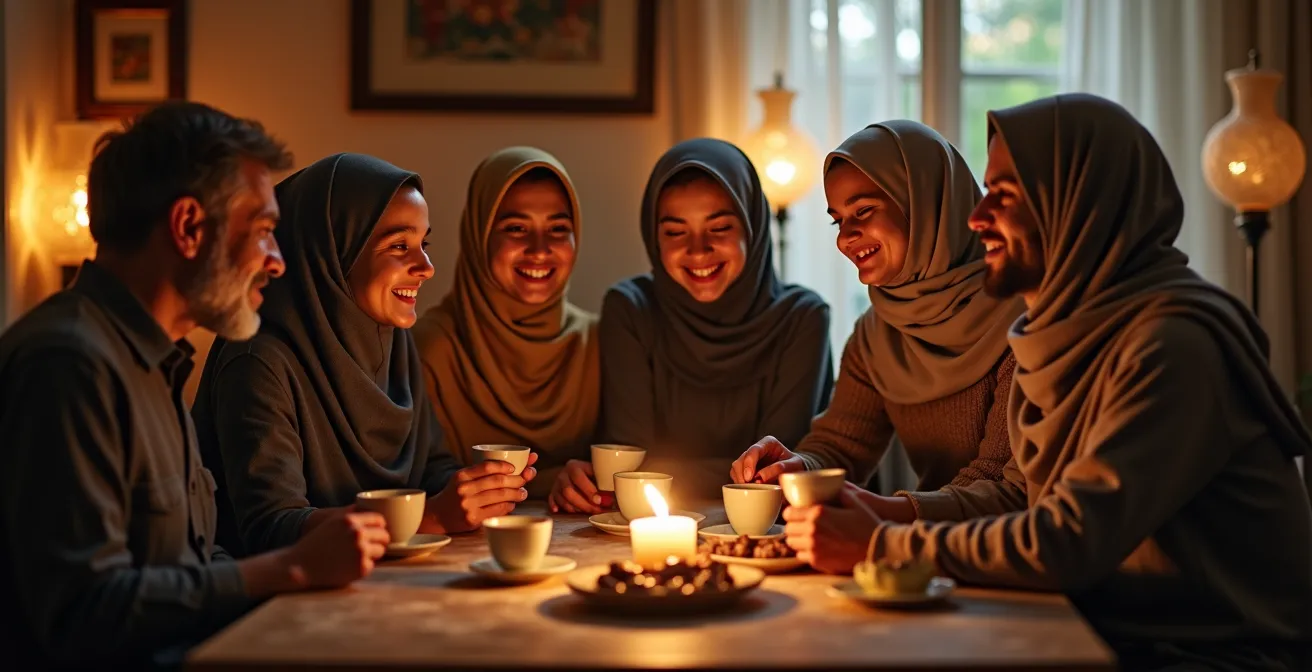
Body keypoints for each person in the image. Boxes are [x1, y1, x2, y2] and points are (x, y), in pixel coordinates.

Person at [785, 94, 1312, 670]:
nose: (976, 217)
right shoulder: (1060, 331)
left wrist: (882, 540)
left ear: (1080, 204)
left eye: (1004, 197)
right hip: (1098, 621)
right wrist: (869, 508)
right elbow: (1021, 497)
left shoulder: (1171, 345)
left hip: (1205, 650)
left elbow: (1068, 539)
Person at [0, 103, 390, 669]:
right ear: (188, 227)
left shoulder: (161, 363)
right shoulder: (68, 367)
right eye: (262, 232)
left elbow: (192, 565)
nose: (277, 262)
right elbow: (83, 613)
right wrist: (294, 567)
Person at [193, 153, 537, 557]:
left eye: (423, 244)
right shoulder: (258, 362)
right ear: (333, 253)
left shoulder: (394, 341)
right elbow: (272, 527)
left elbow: (431, 468)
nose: (426, 266)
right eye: (398, 246)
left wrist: (478, 490)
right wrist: (429, 517)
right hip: (282, 606)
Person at [731, 121, 1023, 513]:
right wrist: (796, 468)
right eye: (838, 220)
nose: (845, 237)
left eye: (863, 211)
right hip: (922, 552)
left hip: (1002, 555)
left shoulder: (1021, 319)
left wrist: (891, 516)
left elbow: (1002, 486)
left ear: (924, 202)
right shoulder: (878, 329)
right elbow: (842, 446)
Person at [571, 137, 832, 507]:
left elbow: (774, 472)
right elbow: (626, 466)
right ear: (653, 237)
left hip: (768, 533)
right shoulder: (631, 310)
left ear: (752, 228)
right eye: (676, 232)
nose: (697, 250)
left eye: (720, 227)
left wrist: (660, 470)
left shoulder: (802, 318)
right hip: (645, 529)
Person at [412, 147, 598, 514]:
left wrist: (582, 483)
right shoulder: (429, 346)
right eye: (516, 228)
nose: (540, 250)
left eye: (559, 229)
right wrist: (549, 479)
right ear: (479, 236)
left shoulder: (597, 342)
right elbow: (419, 480)